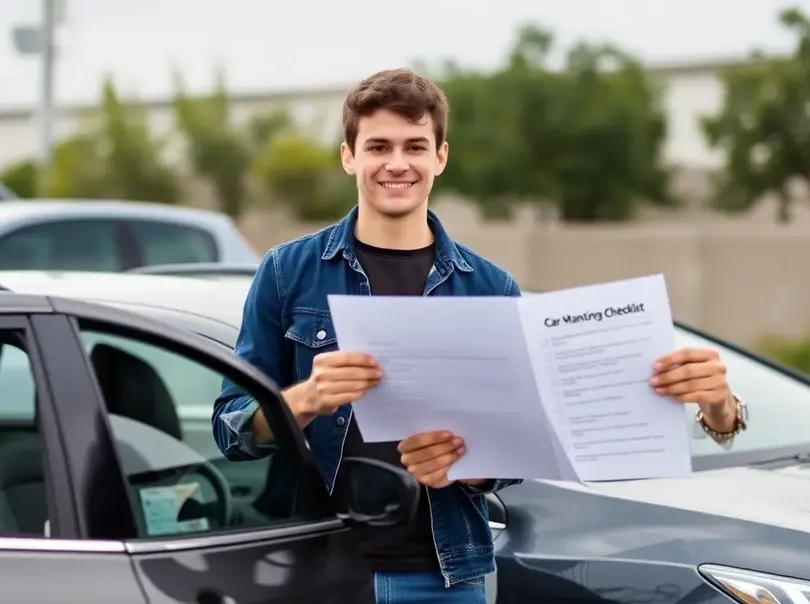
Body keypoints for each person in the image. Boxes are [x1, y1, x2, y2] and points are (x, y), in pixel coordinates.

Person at [212, 68, 748, 604]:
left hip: (442, 576)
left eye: (414, 146)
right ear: (349, 156)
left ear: (440, 156)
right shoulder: (287, 272)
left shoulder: (490, 286)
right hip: (310, 570)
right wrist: (303, 400)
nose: (397, 163)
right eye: (378, 146)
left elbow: (527, 442)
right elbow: (229, 429)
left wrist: (472, 469)